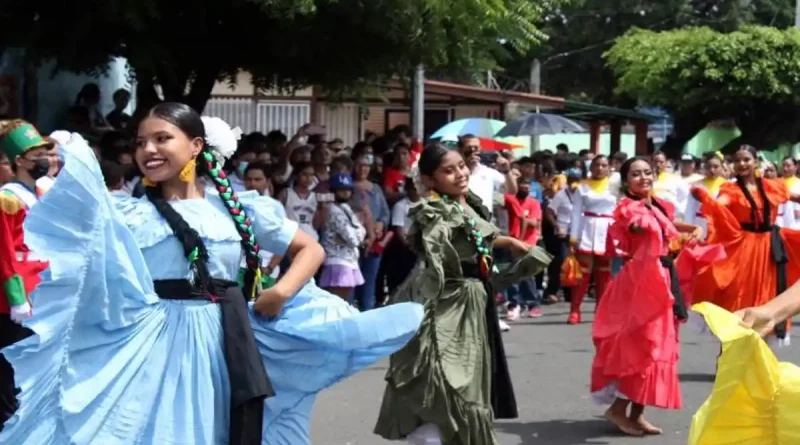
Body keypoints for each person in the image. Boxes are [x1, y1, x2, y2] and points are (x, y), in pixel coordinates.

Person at [0, 103, 424, 445]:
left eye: (163, 138)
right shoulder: (126, 212)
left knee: (220, 426)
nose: (149, 150)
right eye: (142, 142)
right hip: (153, 340)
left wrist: (281, 292)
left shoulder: (238, 207)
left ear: (196, 145)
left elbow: (308, 249)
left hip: (227, 337)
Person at [374, 144, 551, 445]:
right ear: (430, 180)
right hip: (446, 303)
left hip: (472, 300)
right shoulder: (432, 212)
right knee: (445, 378)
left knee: (468, 381)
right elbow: (440, 245)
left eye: (461, 166)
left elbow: (479, 237)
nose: (460, 173)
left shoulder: (467, 203)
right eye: (448, 170)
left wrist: (510, 243)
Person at [591, 157, 703, 437]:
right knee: (646, 347)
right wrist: (642, 228)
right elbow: (635, 225)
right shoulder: (628, 209)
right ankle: (618, 409)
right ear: (626, 181)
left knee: (663, 346)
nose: (643, 178)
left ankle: (637, 413)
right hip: (643, 282)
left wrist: (692, 228)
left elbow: (667, 223)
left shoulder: (657, 204)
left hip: (663, 275)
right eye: (636, 174)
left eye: (647, 173)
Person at [691, 145, 800, 348]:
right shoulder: (730, 189)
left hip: (770, 248)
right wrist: (706, 199)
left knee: (769, 296)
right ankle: (731, 353)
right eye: (738, 160)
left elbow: (795, 197)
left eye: (746, 160)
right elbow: (719, 205)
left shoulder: (771, 186)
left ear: (755, 162)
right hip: (745, 249)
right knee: (739, 295)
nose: (742, 164)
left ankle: (761, 355)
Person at [0, 121, 53, 428]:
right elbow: (5, 254)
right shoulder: (8, 197)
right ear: (20, 160)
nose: (45, 159)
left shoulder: (43, 192)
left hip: (44, 290)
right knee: (11, 372)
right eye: (37, 154)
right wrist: (17, 298)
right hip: (16, 299)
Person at [567, 155, 619, 324]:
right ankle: (575, 309)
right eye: (597, 165)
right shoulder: (582, 186)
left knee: (604, 272)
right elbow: (575, 212)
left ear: (609, 167)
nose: (600, 168)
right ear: (591, 167)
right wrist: (573, 236)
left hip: (608, 228)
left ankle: (601, 308)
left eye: (604, 165)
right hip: (587, 226)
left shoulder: (615, 186)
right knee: (584, 271)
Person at [351, 154, 390, 311]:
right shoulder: (349, 187)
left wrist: (381, 223)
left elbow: (385, 213)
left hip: (375, 243)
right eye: (360, 165)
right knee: (352, 281)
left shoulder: (376, 189)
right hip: (354, 240)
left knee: (370, 281)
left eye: (366, 165)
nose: (363, 169)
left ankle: (367, 312)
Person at [318, 172, 367, 300]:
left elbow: (362, 231)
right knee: (336, 303)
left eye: (347, 190)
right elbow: (353, 239)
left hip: (348, 260)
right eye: (341, 190)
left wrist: (358, 233)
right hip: (337, 261)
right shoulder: (333, 210)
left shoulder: (346, 208)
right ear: (334, 191)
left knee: (344, 303)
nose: (345, 193)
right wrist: (358, 233)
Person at [504, 178, 544, 320]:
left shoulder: (533, 203)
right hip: (510, 241)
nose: (524, 190)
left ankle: (533, 304)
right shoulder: (510, 200)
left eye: (527, 188)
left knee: (527, 274)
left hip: (527, 242)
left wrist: (524, 220)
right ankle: (514, 304)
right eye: (522, 187)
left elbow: (534, 222)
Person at [544, 168, 581, 303]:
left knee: (577, 263)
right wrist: (556, 226)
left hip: (577, 233)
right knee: (561, 263)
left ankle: (571, 293)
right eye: (571, 180)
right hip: (563, 233)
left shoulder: (583, 194)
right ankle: (552, 291)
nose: (573, 183)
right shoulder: (561, 194)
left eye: (576, 180)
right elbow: (549, 211)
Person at [683, 152, 727, 239]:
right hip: (700, 224)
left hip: (720, 226)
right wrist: (688, 229)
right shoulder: (696, 186)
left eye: (716, 167)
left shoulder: (728, 185)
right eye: (709, 167)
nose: (712, 170)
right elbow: (690, 210)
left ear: (722, 167)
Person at [777, 157, 800, 229]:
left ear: (796, 166)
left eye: (788, 166)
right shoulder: (776, 182)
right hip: (779, 221)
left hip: (796, 221)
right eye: (783, 165)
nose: (785, 168)